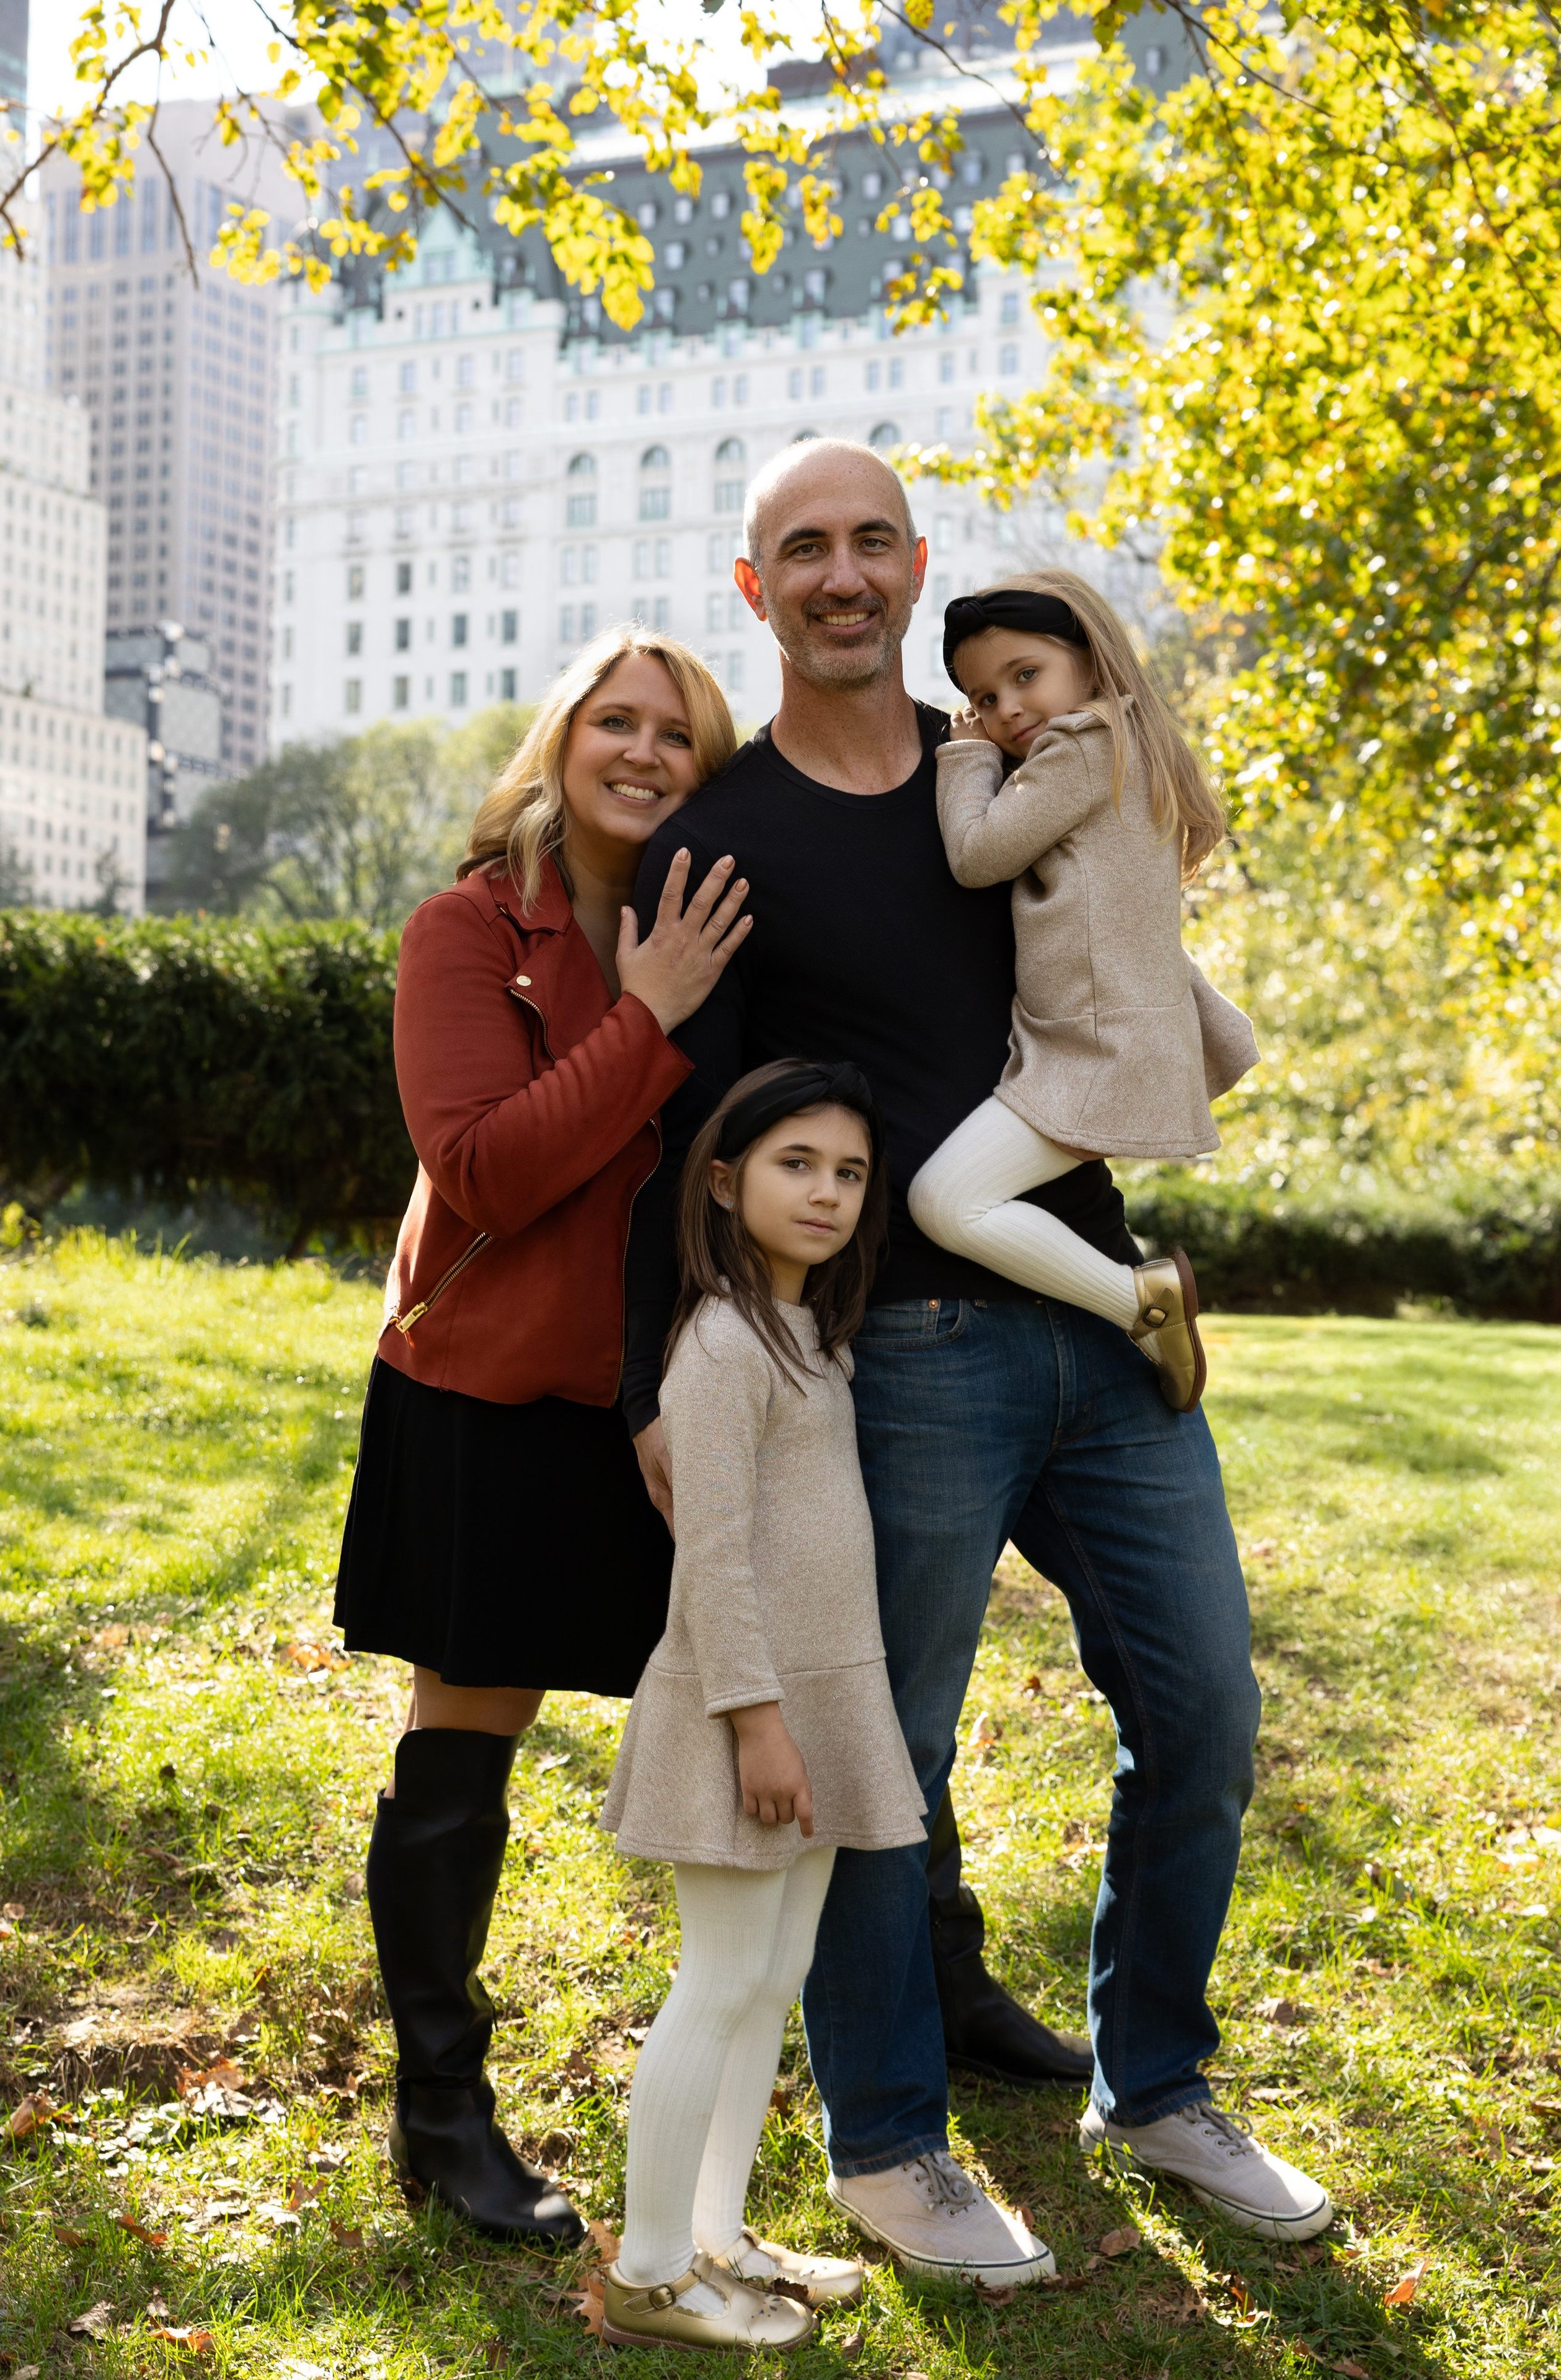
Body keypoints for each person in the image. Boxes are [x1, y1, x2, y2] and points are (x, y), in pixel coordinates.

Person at [622, 439, 1334, 2282]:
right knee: (889, 1754)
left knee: (1206, 1713)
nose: (843, 574)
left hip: (1101, 1305)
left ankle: (1158, 2084)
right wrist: (659, 1385)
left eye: (873, 543)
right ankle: (887, 2144)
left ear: (916, 561)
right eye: (804, 550)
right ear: (754, 586)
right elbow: (689, 1134)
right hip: (909, 1351)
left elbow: (1125, 969)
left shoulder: (1021, 750)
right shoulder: (728, 835)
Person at [334, 627, 751, 2246]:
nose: (645, 752)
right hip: (491, 1395)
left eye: (682, 737)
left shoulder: (721, 929)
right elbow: (489, 1167)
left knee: (785, 1707)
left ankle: (864, 2054)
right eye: (618, 722)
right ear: (562, 740)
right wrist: (647, 1016)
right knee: (467, 1738)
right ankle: (442, 2114)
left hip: (669, 1400)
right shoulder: (466, 929)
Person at [599, 1059, 1007, 2348]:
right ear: (722, 1184)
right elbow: (711, 1555)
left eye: (848, 1173)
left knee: (773, 1976)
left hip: (822, 1707)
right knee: (718, 1978)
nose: (826, 1192)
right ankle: (650, 2272)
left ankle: (715, 2237)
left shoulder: (806, 1339)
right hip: (747, 1715)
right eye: (795, 1165)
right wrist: (757, 1720)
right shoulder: (722, 1344)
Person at [908, 573, 1260, 1413]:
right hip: (1109, 1035)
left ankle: (1142, 1300)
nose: (1006, 709)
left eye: (1026, 675)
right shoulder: (1126, 745)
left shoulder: (1083, 747)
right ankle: (1129, 1307)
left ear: (1090, 660)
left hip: (1097, 1050)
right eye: (983, 697)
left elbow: (977, 853)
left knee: (946, 1202)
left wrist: (963, 753)